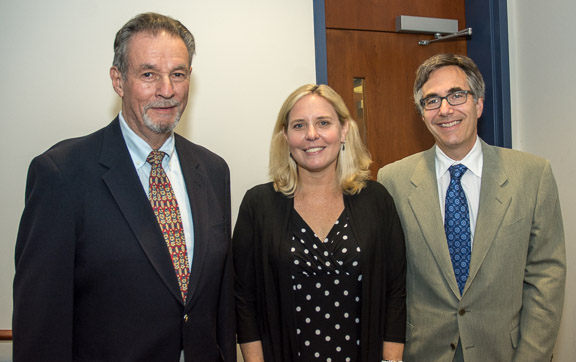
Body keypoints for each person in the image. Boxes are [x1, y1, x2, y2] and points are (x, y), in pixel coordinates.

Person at [13, 12, 235, 361]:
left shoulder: (212, 170)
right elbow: (41, 324)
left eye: (178, 74)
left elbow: (219, 300)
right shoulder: (62, 174)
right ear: (118, 80)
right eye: (148, 74)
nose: (167, 90)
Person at [378, 53, 566, 361]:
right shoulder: (392, 180)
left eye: (456, 95)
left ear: (478, 103)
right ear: (422, 114)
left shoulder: (532, 175)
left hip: (505, 352)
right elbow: (388, 281)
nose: (445, 109)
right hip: (422, 352)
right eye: (432, 101)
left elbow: (547, 275)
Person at [233, 84, 406, 361]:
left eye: (323, 123)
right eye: (299, 125)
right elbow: (244, 299)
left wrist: (391, 360)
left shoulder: (376, 200)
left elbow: (395, 292)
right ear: (285, 136)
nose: (311, 135)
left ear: (344, 130)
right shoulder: (258, 205)